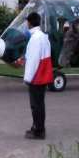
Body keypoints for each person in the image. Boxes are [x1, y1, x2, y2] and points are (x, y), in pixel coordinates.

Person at [23, 12, 53, 140]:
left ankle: (39, 131)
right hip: (43, 74)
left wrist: (27, 78)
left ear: (29, 23)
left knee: (35, 105)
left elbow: (33, 60)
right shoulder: (43, 36)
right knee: (40, 104)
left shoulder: (34, 38)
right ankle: (38, 127)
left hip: (37, 76)